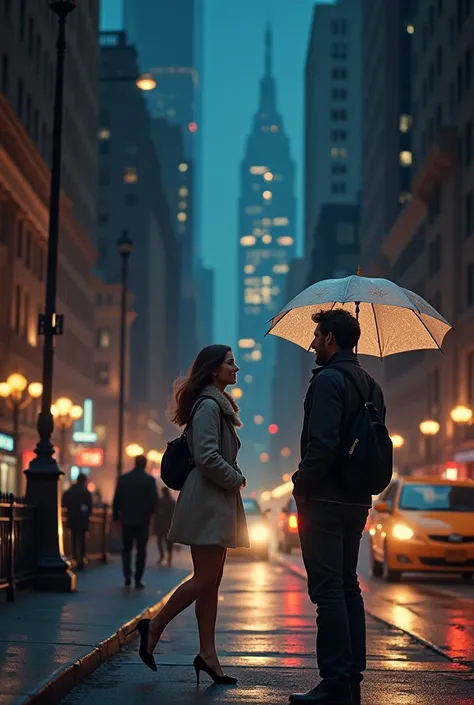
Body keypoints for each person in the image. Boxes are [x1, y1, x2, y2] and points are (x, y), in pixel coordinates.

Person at [131, 345, 249, 684]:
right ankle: (153, 627)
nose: (236, 368)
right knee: (205, 578)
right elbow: (208, 457)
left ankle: (208, 655)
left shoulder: (216, 405)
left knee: (211, 581)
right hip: (209, 498)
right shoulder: (209, 406)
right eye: (230, 363)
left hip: (214, 499)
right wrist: (235, 477)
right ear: (214, 370)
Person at [290, 309, 385, 705]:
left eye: (316, 336)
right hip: (357, 499)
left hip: (326, 500)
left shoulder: (328, 380)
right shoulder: (371, 383)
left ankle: (334, 683)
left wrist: (300, 485)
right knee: (348, 587)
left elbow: (323, 443)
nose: (312, 343)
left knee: (328, 591)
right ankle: (351, 681)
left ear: (330, 338)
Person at [113, 454, 158, 589]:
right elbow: (153, 501)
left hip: (126, 520)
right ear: (144, 464)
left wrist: (116, 516)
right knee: (141, 550)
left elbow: (117, 499)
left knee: (126, 549)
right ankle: (138, 579)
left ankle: (127, 575)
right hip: (142, 521)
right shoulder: (149, 480)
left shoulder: (123, 479)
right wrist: (149, 515)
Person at [62, 473, 92, 570]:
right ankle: (81, 561)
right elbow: (90, 506)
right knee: (82, 540)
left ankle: (75, 558)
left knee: (74, 540)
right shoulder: (86, 492)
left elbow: (64, 502)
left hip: (72, 518)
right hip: (83, 519)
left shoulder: (71, 490)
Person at [155, 486, 176, 566]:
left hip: (161, 524)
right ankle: (169, 557)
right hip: (169, 524)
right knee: (169, 542)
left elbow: (156, 512)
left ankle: (162, 555)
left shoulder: (160, 501)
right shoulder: (172, 502)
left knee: (160, 541)